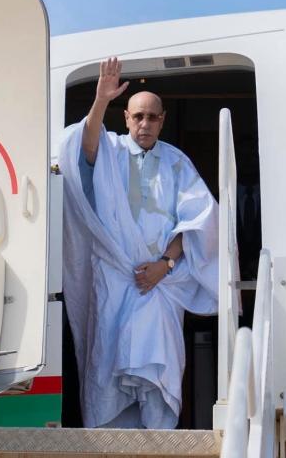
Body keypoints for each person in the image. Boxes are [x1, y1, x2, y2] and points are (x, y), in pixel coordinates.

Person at [60, 57, 219, 429]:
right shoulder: (110, 150)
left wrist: (165, 265)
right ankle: (111, 444)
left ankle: (158, 442)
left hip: (161, 282)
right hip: (115, 275)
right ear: (126, 118)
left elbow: (196, 221)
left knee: (158, 369)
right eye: (138, 117)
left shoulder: (177, 162)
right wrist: (101, 99)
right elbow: (83, 148)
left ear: (162, 120)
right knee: (108, 361)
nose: (144, 124)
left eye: (152, 117)